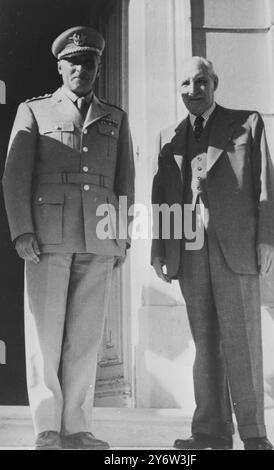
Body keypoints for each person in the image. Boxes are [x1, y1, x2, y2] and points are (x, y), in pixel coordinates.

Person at [2, 26, 135, 450]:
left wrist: (122, 238)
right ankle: (47, 428)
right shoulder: (34, 111)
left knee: (85, 337)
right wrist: (22, 229)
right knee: (45, 334)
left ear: (98, 67)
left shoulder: (115, 117)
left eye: (90, 62)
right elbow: (14, 175)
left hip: (99, 239)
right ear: (60, 66)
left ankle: (77, 427)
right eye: (74, 62)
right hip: (47, 238)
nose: (82, 69)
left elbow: (124, 182)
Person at [151, 56, 274, 450]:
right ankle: (209, 431)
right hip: (189, 252)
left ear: (215, 83)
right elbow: (163, 197)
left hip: (237, 249)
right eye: (186, 84)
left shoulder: (246, 123)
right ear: (179, 90)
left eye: (202, 81)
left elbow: (265, 186)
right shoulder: (169, 136)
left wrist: (266, 239)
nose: (194, 90)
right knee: (204, 344)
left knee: (241, 341)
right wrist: (160, 248)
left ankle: (255, 435)